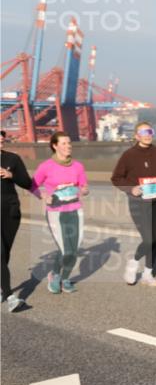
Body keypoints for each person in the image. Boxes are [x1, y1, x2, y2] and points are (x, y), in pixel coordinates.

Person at [111, 122, 156, 287]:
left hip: (155, 201)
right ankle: (133, 263)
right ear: (136, 136)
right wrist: (131, 189)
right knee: (147, 239)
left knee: (155, 239)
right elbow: (116, 178)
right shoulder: (128, 155)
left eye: (150, 131)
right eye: (143, 132)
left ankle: (148, 273)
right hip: (138, 202)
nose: (148, 134)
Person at [31, 132, 89, 294]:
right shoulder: (46, 166)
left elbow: (84, 186)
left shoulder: (78, 166)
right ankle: (55, 275)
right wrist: (43, 196)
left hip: (76, 210)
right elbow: (33, 185)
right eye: (63, 143)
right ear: (55, 146)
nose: (68, 146)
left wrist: (84, 190)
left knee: (74, 249)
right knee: (65, 249)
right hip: (56, 212)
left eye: (69, 143)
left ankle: (65, 277)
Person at [1, 130, 33, 312]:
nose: (1, 139)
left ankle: (0, 287)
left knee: (4, 253)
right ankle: (10, 296)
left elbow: (27, 183)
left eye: (2, 137)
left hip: (10, 212)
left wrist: (12, 175)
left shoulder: (13, 159)